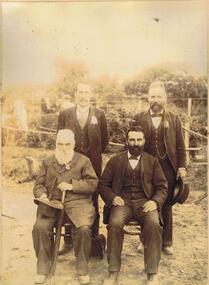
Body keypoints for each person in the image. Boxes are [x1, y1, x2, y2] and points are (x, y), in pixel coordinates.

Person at [99, 126, 168, 285]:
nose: (135, 143)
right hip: (123, 203)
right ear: (126, 141)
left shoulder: (152, 161)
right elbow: (103, 184)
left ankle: (152, 272)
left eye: (139, 140)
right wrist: (112, 197)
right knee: (115, 224)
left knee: (153, 224)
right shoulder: (115, 160)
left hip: (145, 203)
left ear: (144, 141)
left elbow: (162, 187)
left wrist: (155, 201)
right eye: (132, 139)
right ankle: (113, 271)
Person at [32, 129, 98, 285]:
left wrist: (71, 185)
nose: (63, 148)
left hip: (78, 204)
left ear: (73, 144)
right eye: (60, 144)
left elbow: (93, 184)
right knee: (39, 227)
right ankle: (42, 268)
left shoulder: (83, 161)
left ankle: (82, 268)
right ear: (55, 144)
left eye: (67, 144)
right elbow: (38, 185)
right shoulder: (48, 161)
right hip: (52, 204)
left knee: (83, 229)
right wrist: (42, 195)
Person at [133, 80, 187, 255]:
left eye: (159, 96)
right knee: (146, 201)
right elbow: (132, 144)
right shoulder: (139, 118)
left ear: (164, 98)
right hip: (146, 168)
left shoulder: (174, 118)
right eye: (152, 96)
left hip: (168, 168)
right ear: (148, 98)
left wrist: (182, 166)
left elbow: (180, 145)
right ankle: (144, 239)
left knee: (166, 204)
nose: (155, 99)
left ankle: (167, 242)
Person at [57, 82, 109, 256]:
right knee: (67, 198)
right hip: (69, 165)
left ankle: (92, 240)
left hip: (92, 166)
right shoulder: (65, 114)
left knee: (92, 200)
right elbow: (60, 139)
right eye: (80, 92)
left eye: (86, 92)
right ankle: (69, 241)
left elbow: (104, 141)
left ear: (90, 94)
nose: (83, 95)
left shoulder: (99, 115)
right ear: (76, 94)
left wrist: (89, 158)